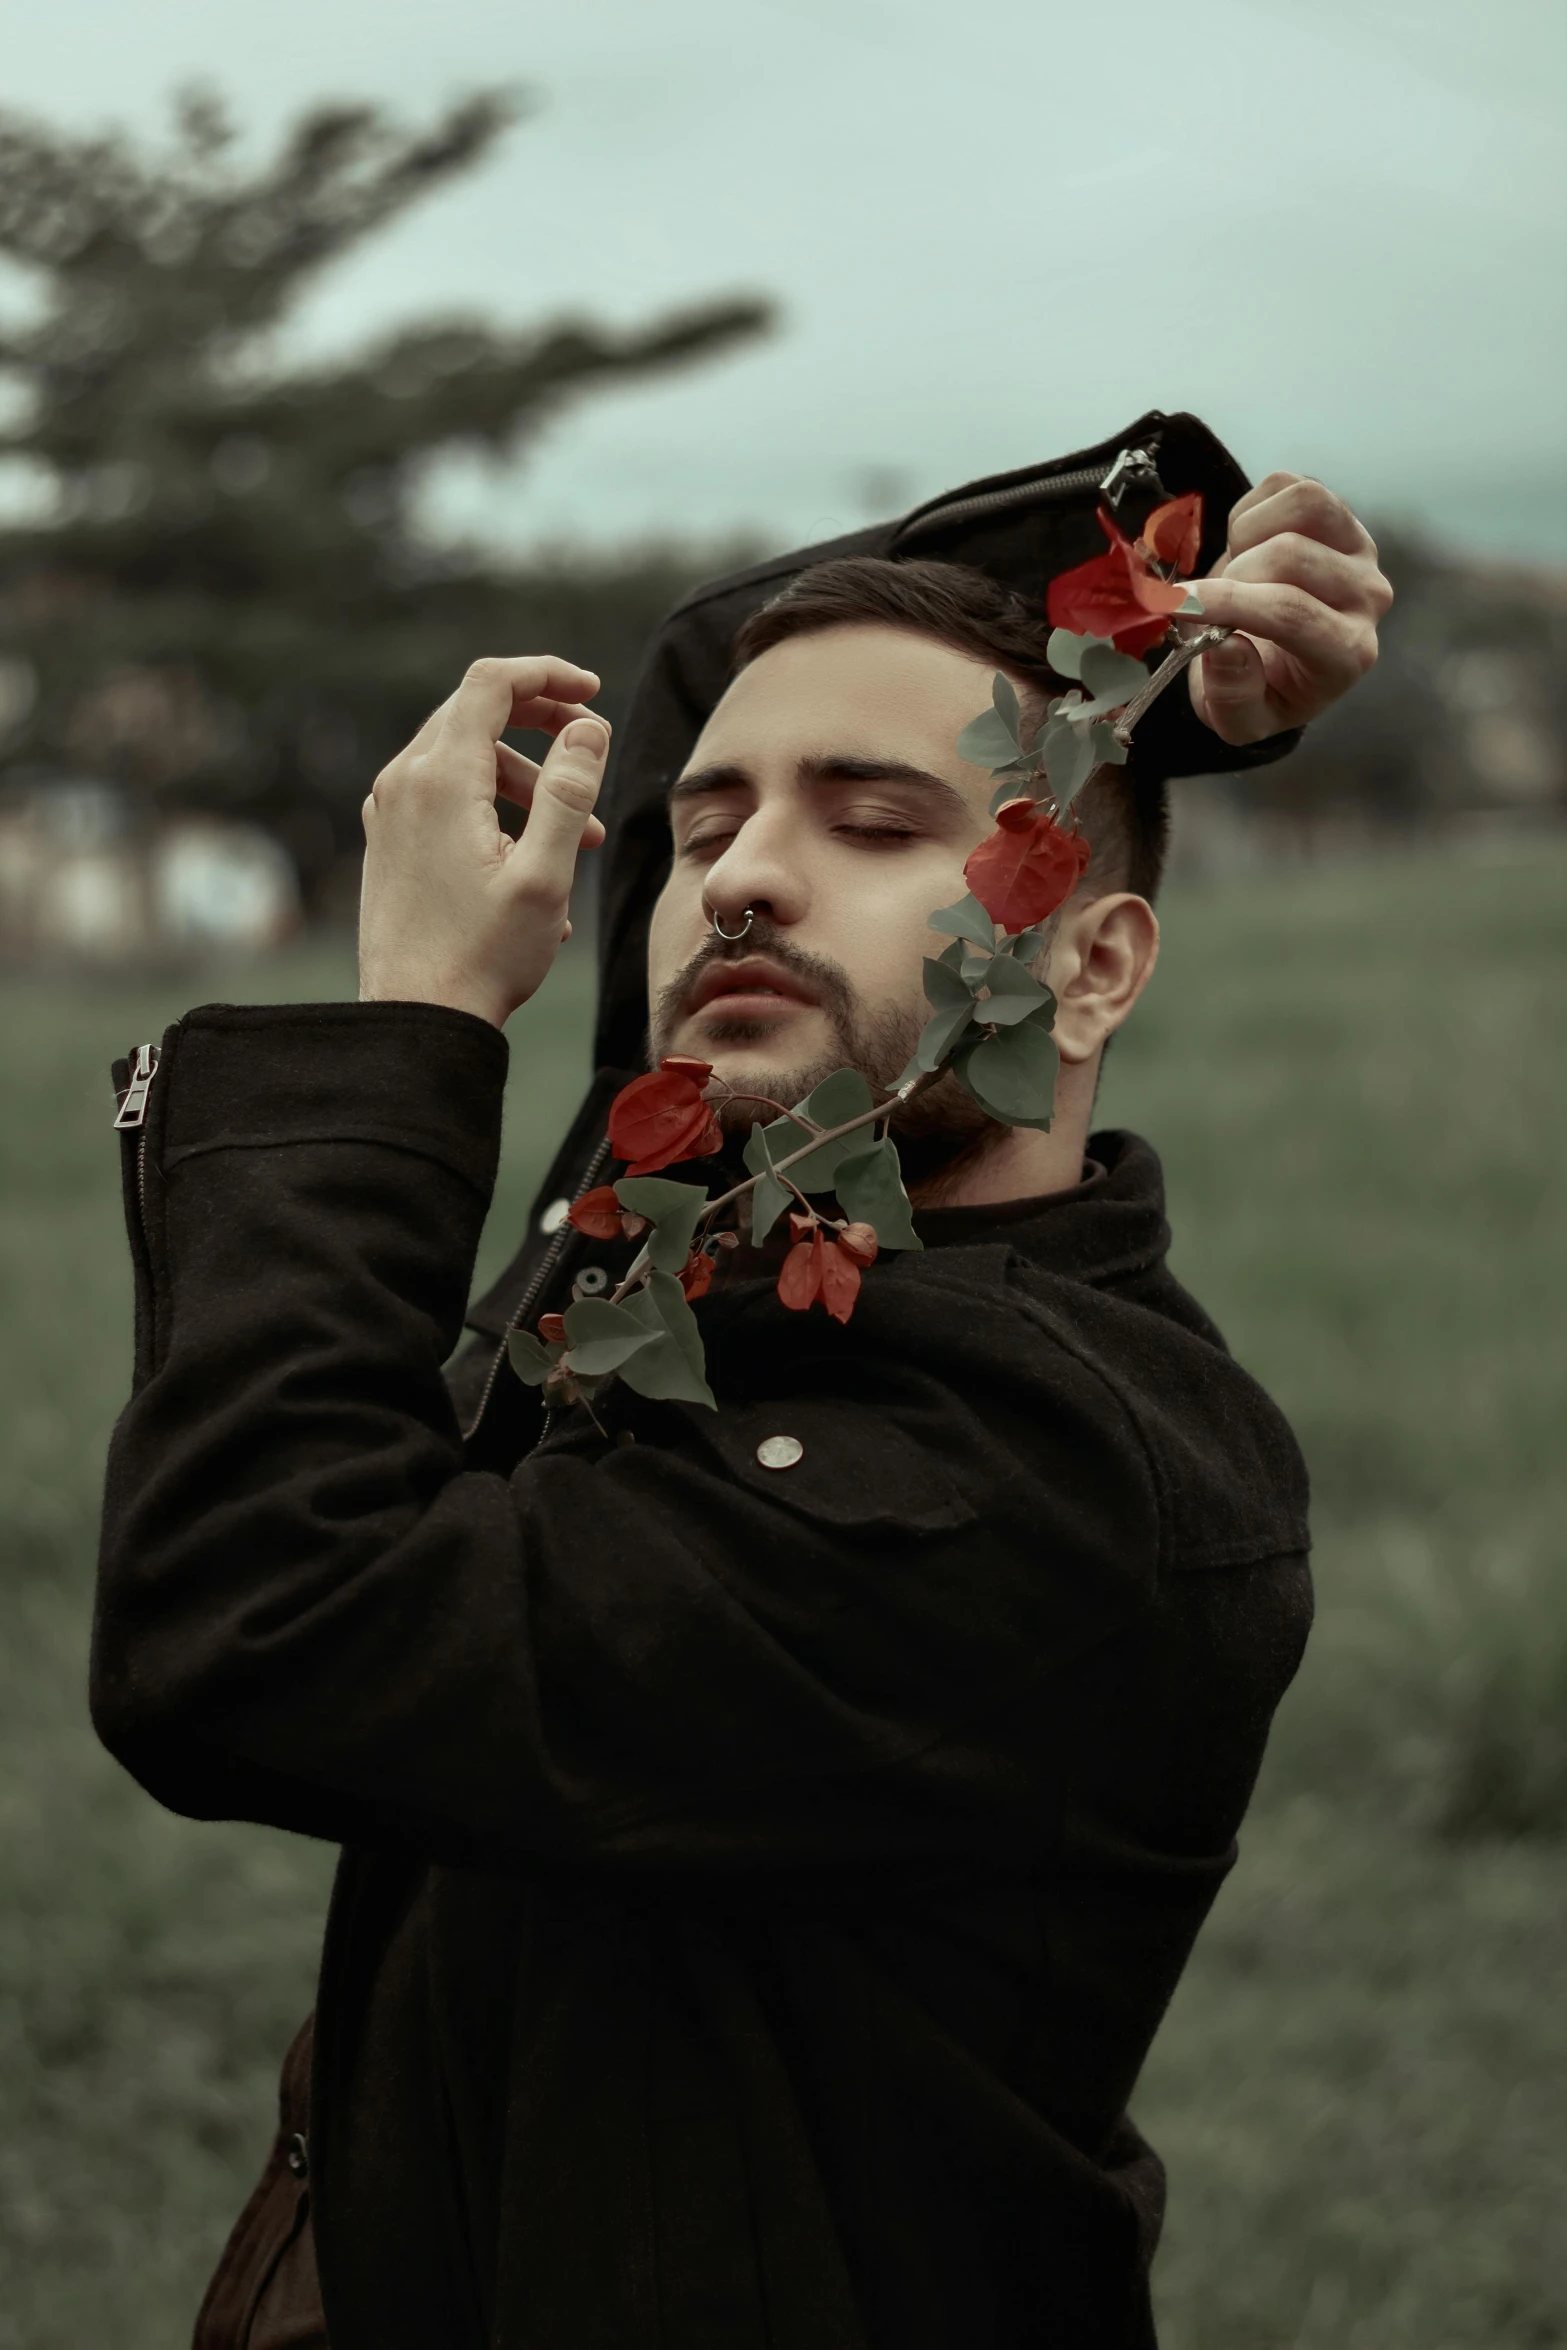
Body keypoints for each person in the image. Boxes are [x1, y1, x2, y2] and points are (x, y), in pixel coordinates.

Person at [92, 415, 1391, 2350]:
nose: (740, 885)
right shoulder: (716, 1229)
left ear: (1096, 967)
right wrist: (1149, 626)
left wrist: (411, 1025)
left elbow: (257, 1619)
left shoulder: (1039, 1466)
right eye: (705, 836)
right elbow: (724, 666)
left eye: (877, 826)